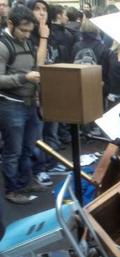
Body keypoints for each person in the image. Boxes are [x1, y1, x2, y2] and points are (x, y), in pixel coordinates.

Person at [0, 6, 45, 204]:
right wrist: (24, 77)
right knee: (13, 152)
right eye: (23, 30)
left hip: (28, 104)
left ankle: (25, 181)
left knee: (28, 148)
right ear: (11, 24)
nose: (27, 35)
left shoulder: (27, 43)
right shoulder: (3, 46)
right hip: (10, 106)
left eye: (29, 31)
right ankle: (13, 189)